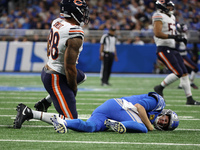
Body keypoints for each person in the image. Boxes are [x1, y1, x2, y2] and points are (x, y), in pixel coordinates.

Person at [13, 0, 90, 129]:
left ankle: (46, 101)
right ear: (73, 11)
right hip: (56, 77)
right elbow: (69, 68)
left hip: (48, 69)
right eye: (81, 10)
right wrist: (73, 89)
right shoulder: (75, 33)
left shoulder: (57, 22)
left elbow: (49, 47)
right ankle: (30, 112)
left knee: (82, 76)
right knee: (71, 120)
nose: (83, 14)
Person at [13, 92, 179, 133]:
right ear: (166, 112)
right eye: (166, 118)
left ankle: (63, 122)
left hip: (108, 111)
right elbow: (140, 107)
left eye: (165, 124)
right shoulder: (158, 102)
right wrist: (149, 126)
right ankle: (116, 125)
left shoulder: (156, 117)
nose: (163, 121)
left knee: (89, 126)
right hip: (118, 106)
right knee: (142, 128)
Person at [152, 0, 200, 105]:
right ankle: (159, 87)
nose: (171, 9)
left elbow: (170, 33)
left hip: (172, 48)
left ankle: (189, 99)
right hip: (163, 48)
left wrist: (179, 38)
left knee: (184, 73)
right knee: (178, 72)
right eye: (169, 7)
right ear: (163, 7)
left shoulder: (172, 17)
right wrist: (174, 37)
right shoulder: (158, 15)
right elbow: (157, 33)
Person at [176, 23, 199, 89]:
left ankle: (181, 85)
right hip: (181, 56)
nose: (185, 30)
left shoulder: (183, 35)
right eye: (184, 29)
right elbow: (176, 48)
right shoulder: (177, 35)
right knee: (194, 68)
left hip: (184, 55)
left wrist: (190, 53)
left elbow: (184, 47)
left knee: (183, 70)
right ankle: (190, 83)